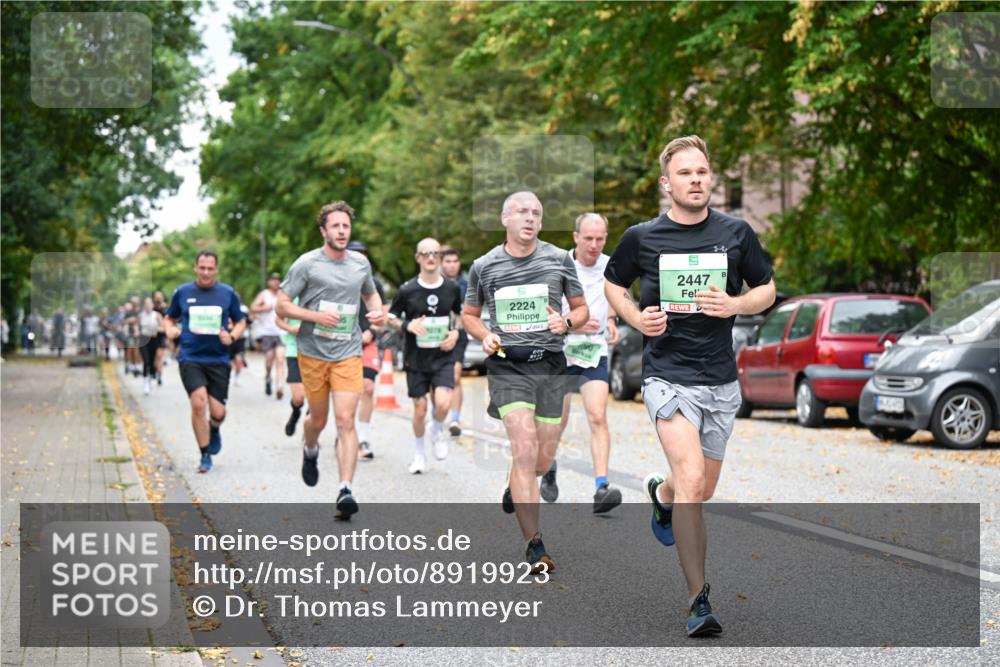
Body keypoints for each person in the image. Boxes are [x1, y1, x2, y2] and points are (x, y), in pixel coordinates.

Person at [604, 135, 775, 637]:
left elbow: (765, 288)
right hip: (667, 375)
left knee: (697, 487)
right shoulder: (643, 237)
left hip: (720, 379)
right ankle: (699, 600)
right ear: (666, 183)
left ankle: (661, 493)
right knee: (695, 484)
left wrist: (735, 305)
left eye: (702, 171)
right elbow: (614, 283)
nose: (696, 179)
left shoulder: (735, 233)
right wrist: (637, 317)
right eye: (685, 173)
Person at [462, 191, 588, 573]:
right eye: (521, 212)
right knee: (523, 449)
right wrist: (483, 334)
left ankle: (517, 484)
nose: (530, 218)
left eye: (536, 213)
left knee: (541, 459)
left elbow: (581, 310)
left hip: (550, 364)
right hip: (508, 366)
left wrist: (565, 322)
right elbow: (469, 314)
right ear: (504, 218)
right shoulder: (484, 266)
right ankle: (534, 545)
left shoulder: (558, 259)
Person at [276, 201, 386, 519]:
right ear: (324, 230)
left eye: (346, 226)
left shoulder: (360, 263)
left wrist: (376, 310)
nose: (341, 231)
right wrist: (315, 316)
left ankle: (345, 488)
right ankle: (310, 448)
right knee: (318, 420)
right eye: (335, 226)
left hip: (347, 353)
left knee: (345, 420)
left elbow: (370, 294)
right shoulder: (307, 264)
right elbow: (282, 306)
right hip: (312, 353)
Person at [540, 212, 623, 514]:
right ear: (575, 237)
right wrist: (572, 322)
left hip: (593, 352)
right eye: (588, 238)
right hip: (561, 351)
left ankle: (601, 486)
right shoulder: (559, 265)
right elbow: (544, 308)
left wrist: (611, 319)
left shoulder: (610, 265)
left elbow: (615, 294)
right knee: (556, 423)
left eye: (600, 238)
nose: (595, 244)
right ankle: (548, 467)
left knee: (597, 416)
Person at [163, 251, 247, 473]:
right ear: (195, 268)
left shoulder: (227, 293)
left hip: (218, 358)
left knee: (218, 412)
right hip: (191, 357)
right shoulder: (182, 292)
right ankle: (205, 454)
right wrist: (170, 329)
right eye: (202, 267)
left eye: (210, 268)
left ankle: (214, 428)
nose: (206, 272)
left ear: (216, 269)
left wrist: (232, 337)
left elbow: (240, 321)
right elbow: (169, 317)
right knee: (198, 403)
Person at [388, 238, 462, 474]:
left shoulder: (451, 289)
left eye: (435, 253)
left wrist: (455, 333)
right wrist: (406, 326)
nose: (431, 258)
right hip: (416, 359)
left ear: (439, 258)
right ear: (418, 258)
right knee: (420, 409)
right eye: (425, 253)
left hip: (442, 357)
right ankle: (419, 453)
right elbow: (390, 318)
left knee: (442, 403)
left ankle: (437, 429)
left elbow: (461, 315)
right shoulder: (407, 290)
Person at [346, 240, 387, 460]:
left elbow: (384, 312)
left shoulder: (375, 283)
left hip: (368, 341)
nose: (359, 257)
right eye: (355, 254)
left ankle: (362, 436)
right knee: (348, 393)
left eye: (363, 254)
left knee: (368, 388)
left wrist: (372, 330)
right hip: (342, 344)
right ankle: (346, 430)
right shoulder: (339, 280)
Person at [440, 245, 468, 436]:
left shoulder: (466, 285)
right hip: (437, 336)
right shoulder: (434, 283)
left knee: (455, 377)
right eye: (447, 261)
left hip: (458, 335)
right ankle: (438, 416)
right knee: (438, 381)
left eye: (455, 261)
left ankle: (455, 419)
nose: (451, 265)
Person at [251, 273, 287, 399]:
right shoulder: (264, 294)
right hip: (267, 332)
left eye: (278, 280)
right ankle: (268, 377)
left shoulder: (284, 294)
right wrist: (265, 308)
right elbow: (253, 308)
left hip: (281, 332)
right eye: (273, 280)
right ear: (269, 282)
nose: (276, 282)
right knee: (269, 360)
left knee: (280, 359)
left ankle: (280, 387)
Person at [275, 298, 306, 436]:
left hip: (317, 352)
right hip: (294, 350)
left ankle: (310, 434)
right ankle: (295, 413)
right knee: (298, 398)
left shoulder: (321, 293)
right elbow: (278, 319)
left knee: (315, 398)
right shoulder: (292, 297)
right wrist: (290, 328)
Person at [137, 297, 163, 395]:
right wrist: (136, 331)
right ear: (144, 306)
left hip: (153, 339)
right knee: (146, 361)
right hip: (143, 340)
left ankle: (151, 376)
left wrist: (157, 329)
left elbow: (163, 327)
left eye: (149, 304)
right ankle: (145, 383)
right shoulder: (140, 316)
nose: (148, 307)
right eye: (146, 305)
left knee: (152, 361)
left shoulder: (156, 315)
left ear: (152, 306)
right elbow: (137, 326)